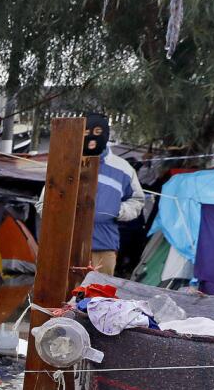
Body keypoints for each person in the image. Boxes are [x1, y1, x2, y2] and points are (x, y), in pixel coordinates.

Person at [39, 112, 144, 276]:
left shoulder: (123, 168)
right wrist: (59, 215)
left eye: (96, 133)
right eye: (86, 133)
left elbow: (137, 200)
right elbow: (43, 203)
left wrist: (118, 210)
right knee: (66, 298)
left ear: (106, 134)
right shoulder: (66, 163)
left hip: (103, 246)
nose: (91, 138)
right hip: (65, 247)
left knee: (97, 297)